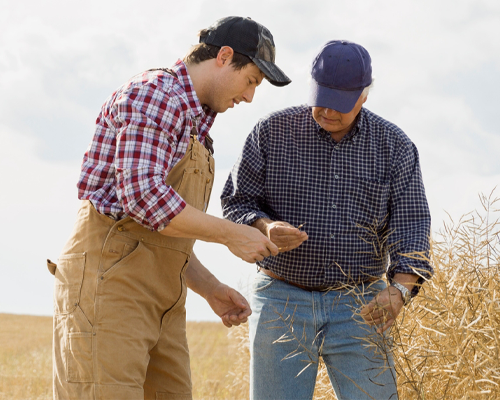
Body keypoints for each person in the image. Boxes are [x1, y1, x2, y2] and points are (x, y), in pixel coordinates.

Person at [47, 16, 290, 400]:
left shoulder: (196, 123)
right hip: (108, 293)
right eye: (251, 81)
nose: (249, 98)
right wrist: (230, 234)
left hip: (164, 304)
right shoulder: (155, 94)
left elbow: (158, 232)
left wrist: (210, 288)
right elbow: (143, 198)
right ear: (224, 57)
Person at [221, 40, 433, 400]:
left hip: (361, 305)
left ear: (364, 95)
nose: (329, 112)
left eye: (341, 103)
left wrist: (398, 291)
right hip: (280, 300)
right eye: (322, 98)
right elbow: (237, 201)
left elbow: (411, 226)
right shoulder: (270, 132)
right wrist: (264, 226)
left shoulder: (395, 147)